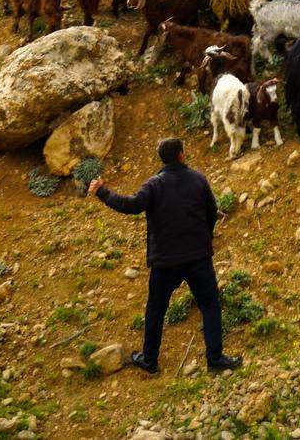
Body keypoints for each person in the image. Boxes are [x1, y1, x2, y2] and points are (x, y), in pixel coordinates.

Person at [88, 138, 242, 375]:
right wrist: (207, 237)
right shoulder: (198, 180)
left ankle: (149, 360)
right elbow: (212, 212)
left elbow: (130, 205)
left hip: (165, 262)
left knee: (156, 309)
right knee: (210, 306)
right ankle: (215, 359)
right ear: (181, 155)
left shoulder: (154, 185)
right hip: (198, 257)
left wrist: (102, 192)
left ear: (163, 158)